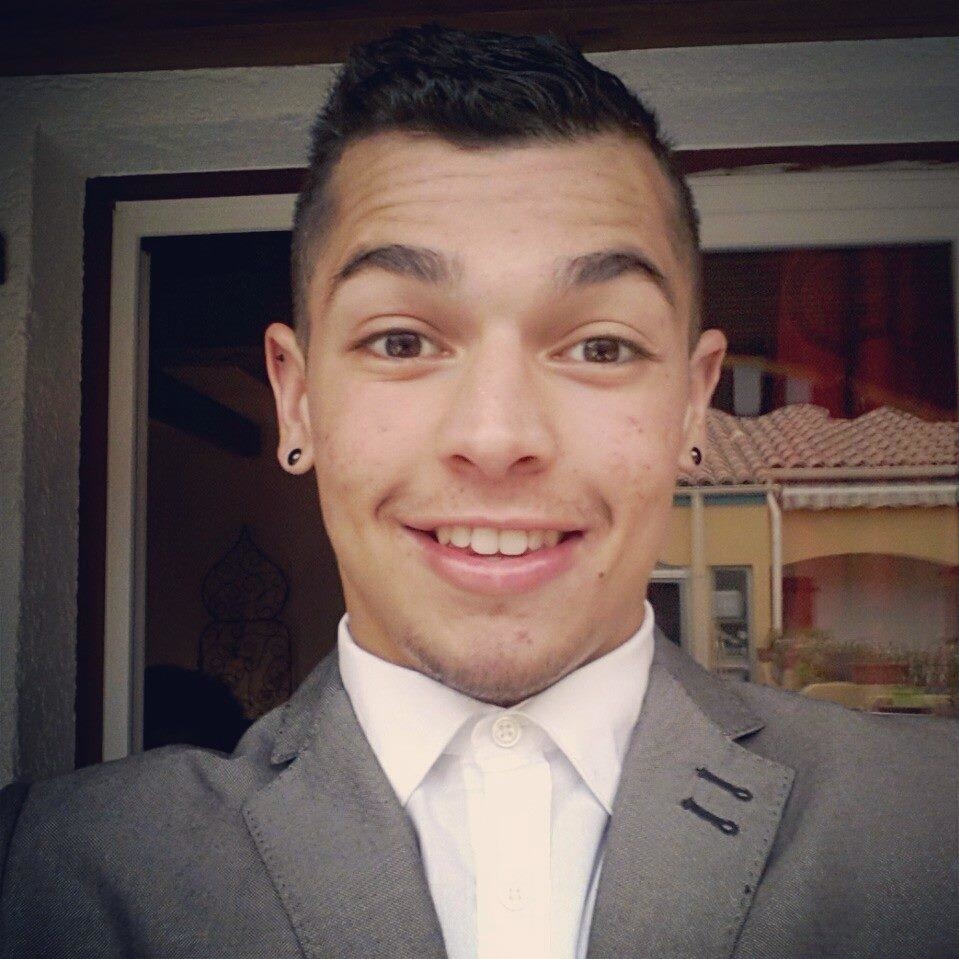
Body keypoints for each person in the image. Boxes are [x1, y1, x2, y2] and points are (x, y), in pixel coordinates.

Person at [1, 24, 955, 959]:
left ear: (690, 407)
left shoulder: (930, 827)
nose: (496, 439)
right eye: (402, 341)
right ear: (297, 401)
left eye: (599, 346)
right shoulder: (44, 874)